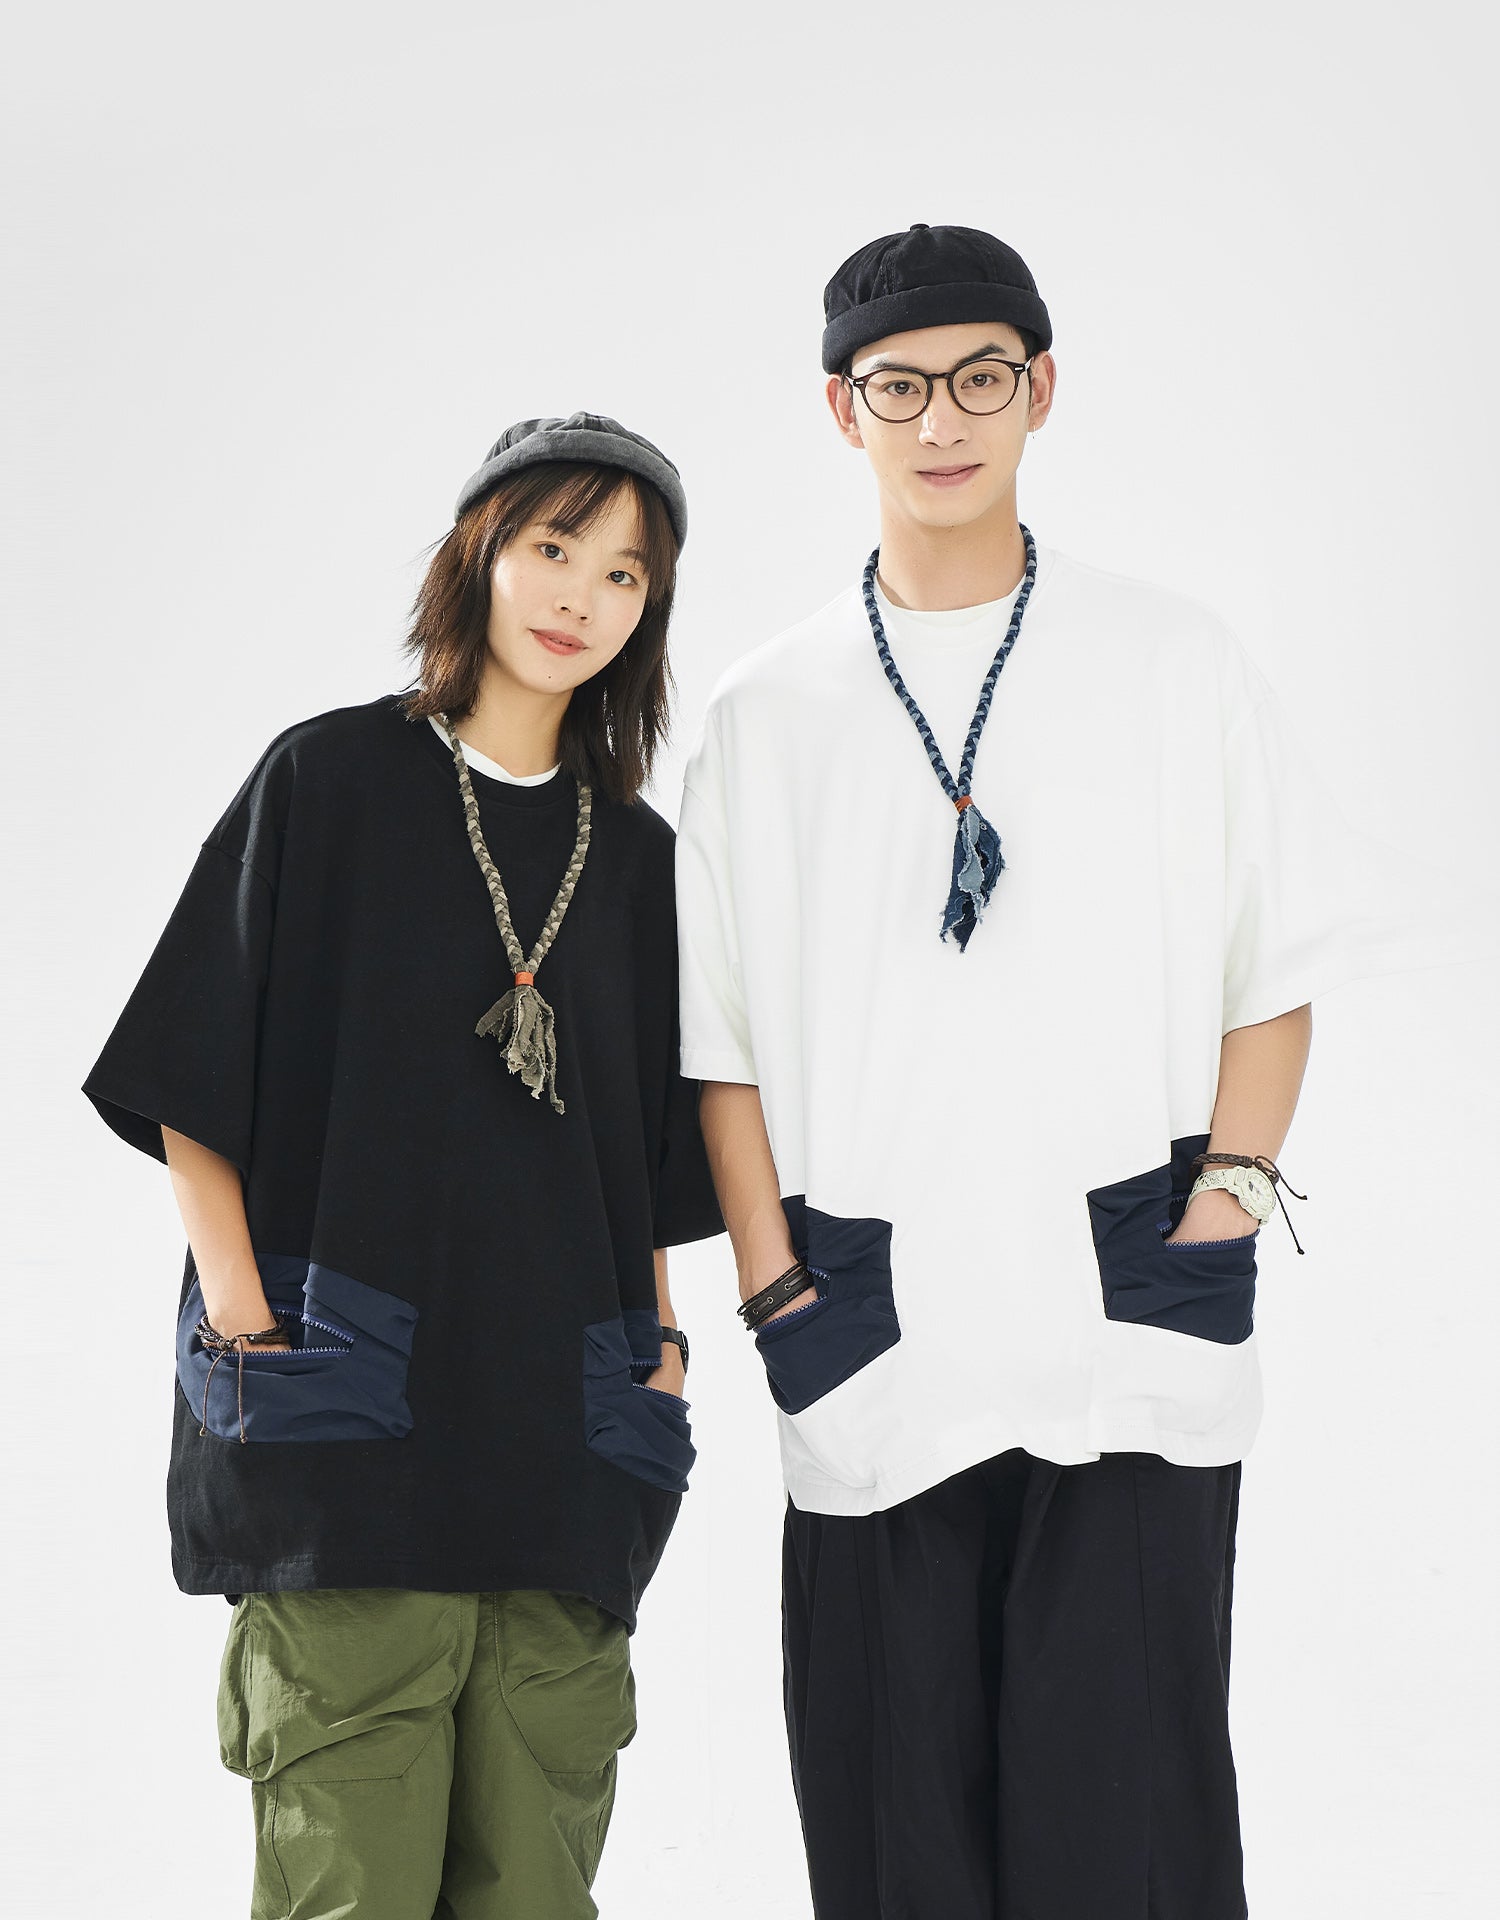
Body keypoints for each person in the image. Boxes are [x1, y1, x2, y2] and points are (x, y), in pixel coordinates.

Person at [674, 224, 1452, 1919]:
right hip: (873, 1337)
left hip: (1126, 1326)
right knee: (895, 1840)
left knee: (1131, 1835)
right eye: (899, 387)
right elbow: (717, 1052)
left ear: (1042, 391)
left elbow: (1274, 967)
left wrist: (1222, 1212)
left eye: (981, 378)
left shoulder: (1173, 659)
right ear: (841, 411)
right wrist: (779, 1292)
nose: (942, 420)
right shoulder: (763, 711)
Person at [84, 411, 724, 1920]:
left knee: (537, 1890)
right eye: (554, 547)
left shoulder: (641, 864)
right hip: (346, 1444)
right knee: (350, 1886)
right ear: (479, 554)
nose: (580, 597)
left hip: (563, 1460)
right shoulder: (331, 780)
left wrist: (661, 1348)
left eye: (624, 574)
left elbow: (642, 1163)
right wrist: (243, 1318)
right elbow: (190, 1076)